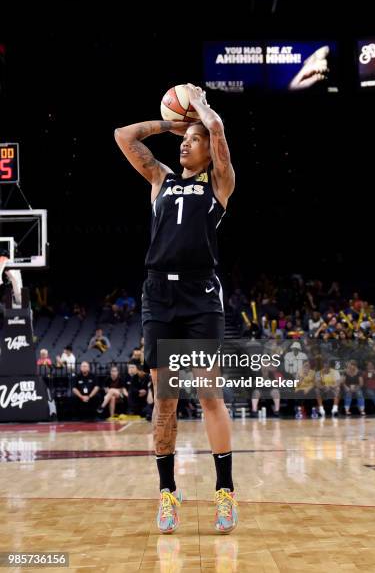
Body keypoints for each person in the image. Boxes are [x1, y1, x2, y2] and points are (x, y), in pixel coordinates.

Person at [115, 83, 237, 534]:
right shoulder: (160, 179)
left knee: (209, 394)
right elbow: (123, 136)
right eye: (184, 140)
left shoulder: (219, 183)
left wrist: (201, 112)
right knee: (165, 401)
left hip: (201, 296)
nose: (186, 143)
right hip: (159, 298)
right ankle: (168, 494)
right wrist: (172, 123)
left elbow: (219, 131)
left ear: (209, 150)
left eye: (194, 140)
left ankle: (224, 491)